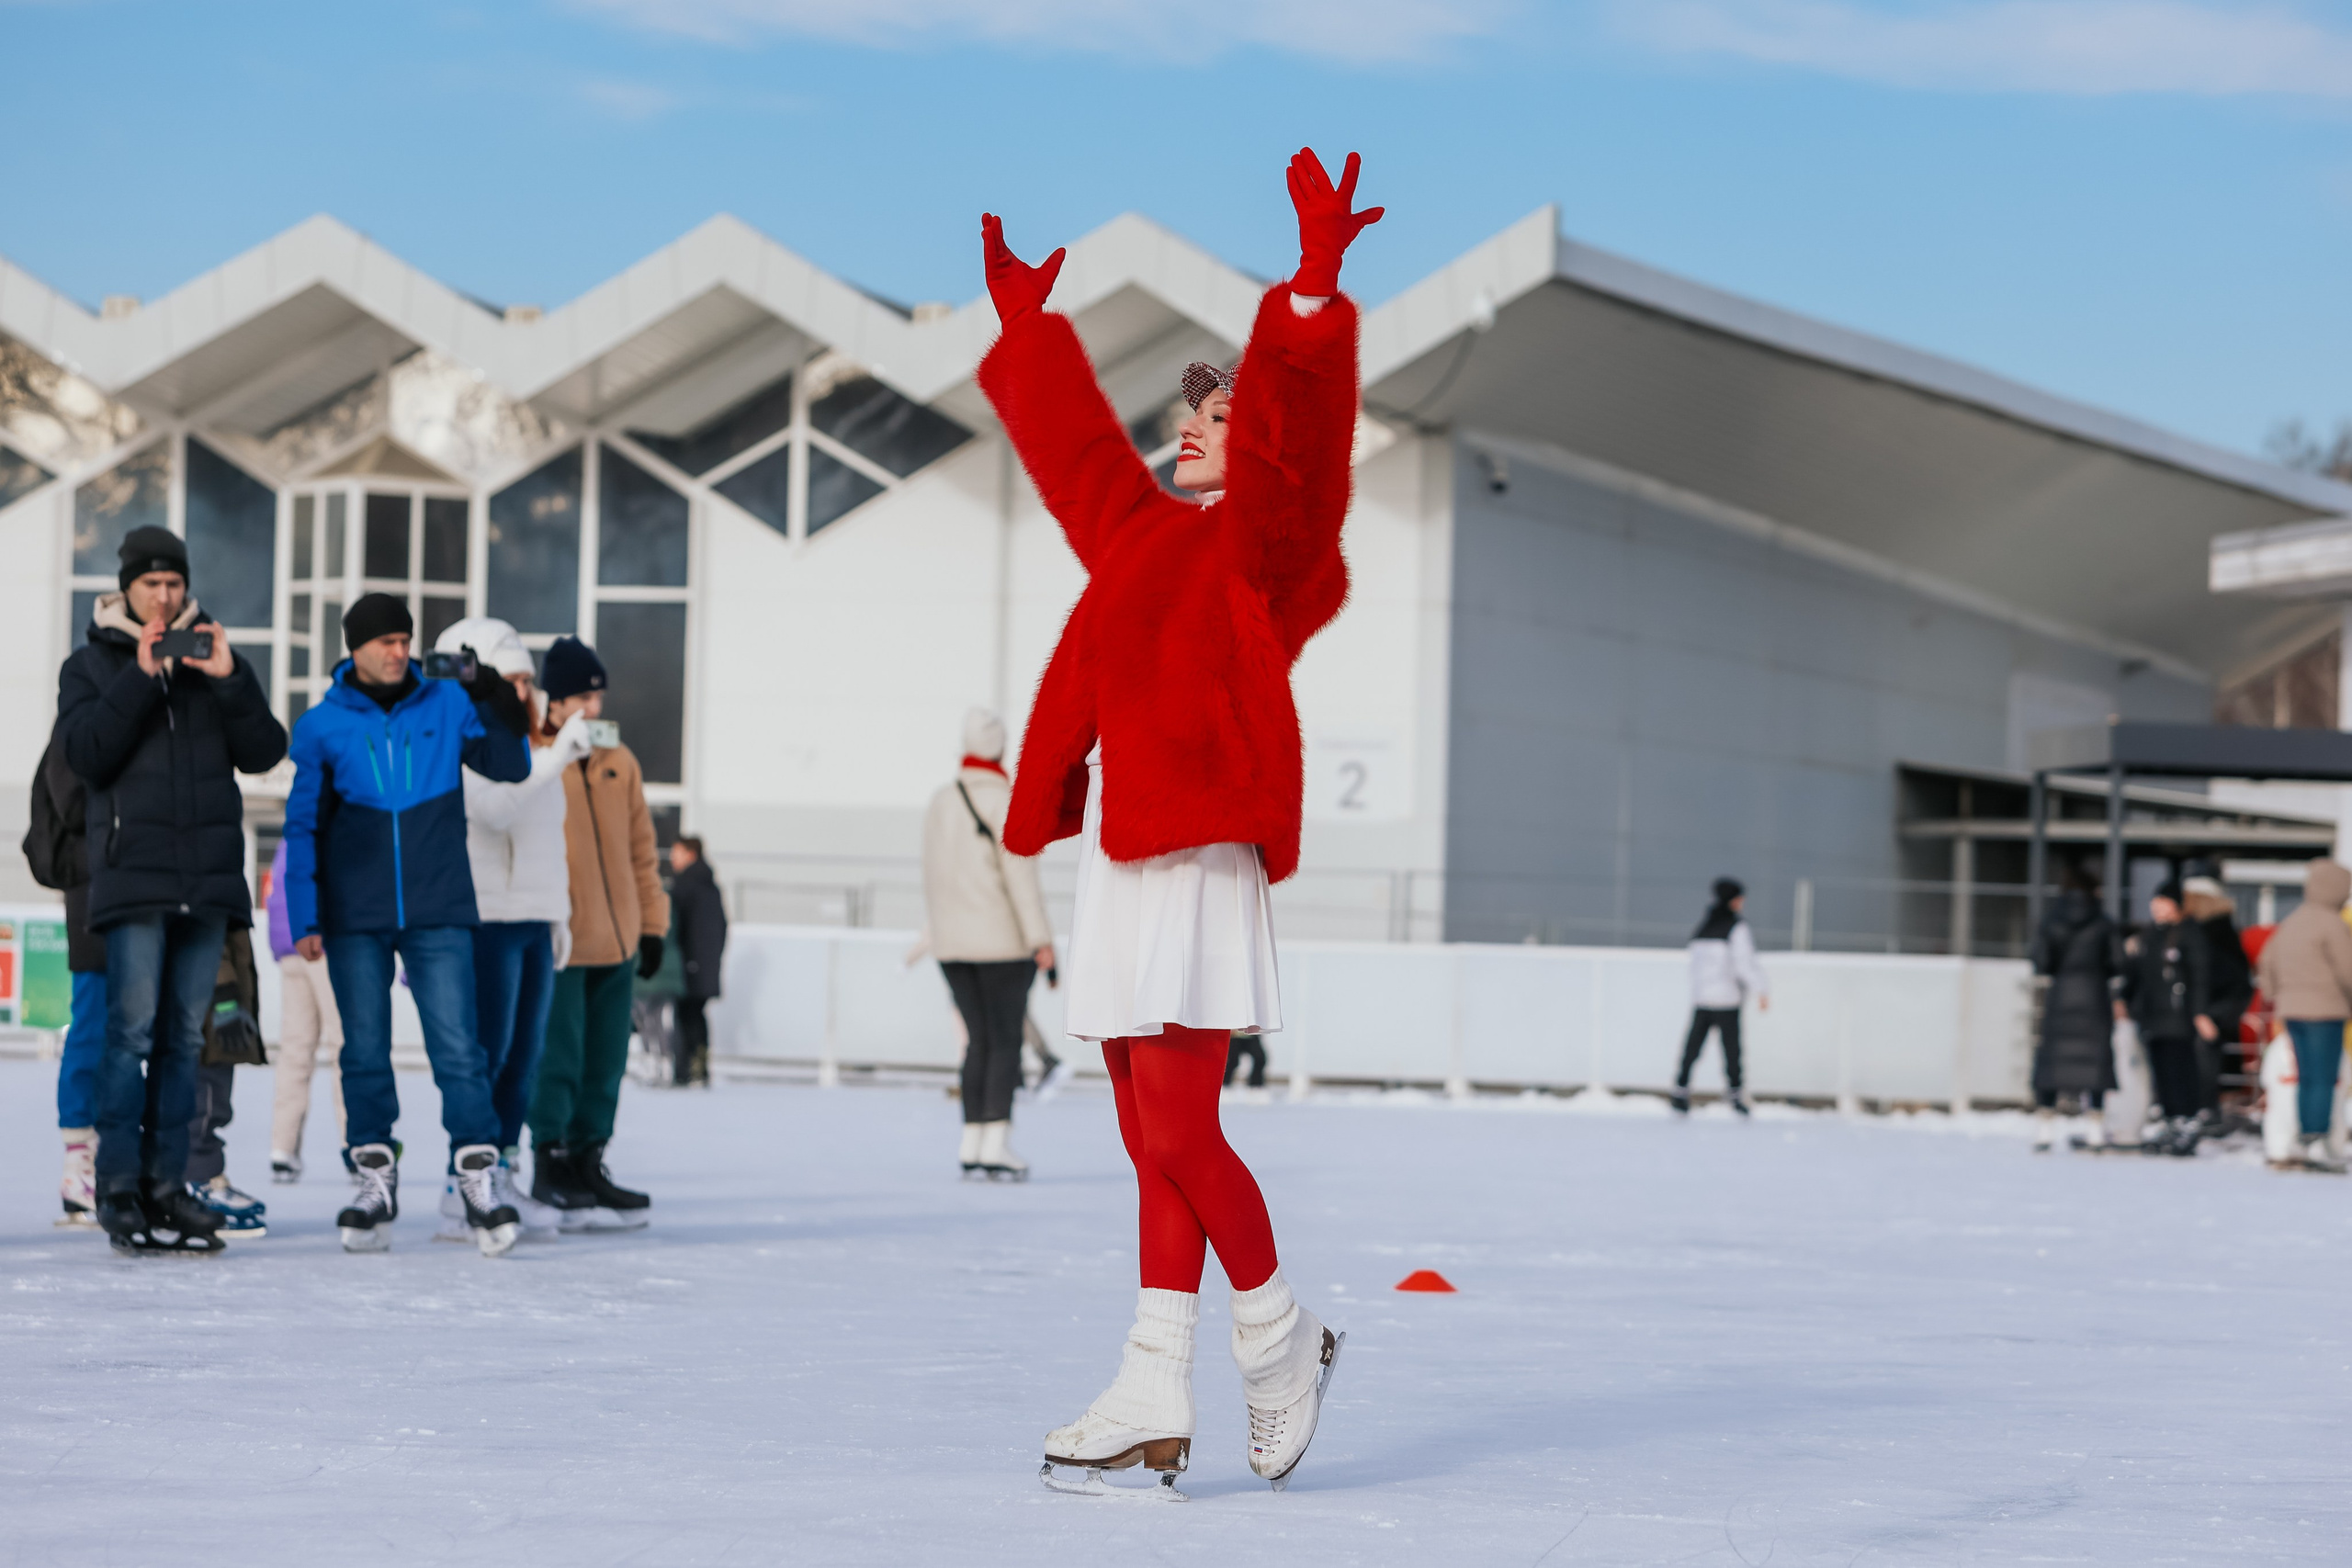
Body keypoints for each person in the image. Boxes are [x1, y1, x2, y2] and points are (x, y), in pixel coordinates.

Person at [981, 146, 1373, 1495]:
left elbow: (1302, 451)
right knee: (1146, 1135)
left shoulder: (1267, 553)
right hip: (1128, 861)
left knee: (1186, 1130)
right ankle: (1156, 1373)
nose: (1193, 424)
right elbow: (1081, 458)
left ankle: (1277, 1334)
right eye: (1190, 414)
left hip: (1204, 851)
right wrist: (1029, 336)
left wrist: (1309, 302)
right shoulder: (1142, 540)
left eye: (1216, 413)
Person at [57, 525, 287, 1254]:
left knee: (186, 1042)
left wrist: (231, 678)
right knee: (127, 1038)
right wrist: (142, 673)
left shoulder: (211, 663)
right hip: (133, 876)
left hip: (207, 880)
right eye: (151, 584)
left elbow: (265, 750)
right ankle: (119, 1187)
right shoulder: (90, 666)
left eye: (174, 583)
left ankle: (167, 1186)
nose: (164, 595)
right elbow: (88, 755)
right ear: (126, 587)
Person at [283, 592, 535, 1256]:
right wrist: (304, 915)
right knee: (363, 1050)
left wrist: (488, 691)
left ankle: (478, 1181)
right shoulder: (319, 726)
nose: (399, 652)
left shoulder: (448, 704)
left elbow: (513, 764)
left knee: (459, 1048)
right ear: (355, 648)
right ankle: (374, 1181)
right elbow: (303, 827)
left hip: (439, 906)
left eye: (405, 639)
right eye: (385, 641)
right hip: (353, 917)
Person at [433, 617, 586, 1240]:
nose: (527, 692)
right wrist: (551, 763)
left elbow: (550, 839)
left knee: (524, 1058)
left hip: (532, 915)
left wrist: (560, 912)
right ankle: (463, 1180)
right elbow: (493, 808)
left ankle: (505, 1168)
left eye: (529, 680)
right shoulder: (466, 736)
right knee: (488, 1053)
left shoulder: (534, 744)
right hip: (488, 914)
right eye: (515, 678)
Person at [526, 636, 669, 1228]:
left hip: (619, 941)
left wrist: (653, 925)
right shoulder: (535, 759)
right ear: (554, 703)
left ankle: (589, 1160)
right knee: (558, 1057)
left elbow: (642, 853)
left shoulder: (620, 762)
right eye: (582, 696)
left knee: (606, 1060)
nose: (593, 707)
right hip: (562, 939)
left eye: (597, 695)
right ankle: (549, 1161)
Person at [921, 707, 1055, 1179]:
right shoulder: (1005, 800)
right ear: (1000, 748)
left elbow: (932, 877)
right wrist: (1041, 939)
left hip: (952, 945)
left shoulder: (941, 801)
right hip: (1002, 943)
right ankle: (996, 1142)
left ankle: (971, 1142)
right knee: (1003, 1043)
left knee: (977, 1042)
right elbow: (1021, 877)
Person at [23, 727, 107, 1228]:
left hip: (141, 889)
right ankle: (80, 1160)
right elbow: (70, 808)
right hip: (93, 892)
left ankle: (120, 1155)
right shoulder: (75, 727)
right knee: (93, 1021)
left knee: (138, 1030)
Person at [2253, 858, 2352, 1173]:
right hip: (2326, 1011)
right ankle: (2318, 1140)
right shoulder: (2332, 924)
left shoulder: (2292, 921)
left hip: (2292, 1011)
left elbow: (2266, 962)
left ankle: (2300, 1137)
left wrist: (2276, 994)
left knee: (2304, 1077)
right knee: (2324, 1078)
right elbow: (2348, 970)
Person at [264, 838, 345, 1183]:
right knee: (345, 1044)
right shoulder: (326, 833)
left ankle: (282, 1147)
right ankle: (354, 1142)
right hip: (319, 942)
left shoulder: (287, 840)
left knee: (295, 1049)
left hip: (288, 947)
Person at [2027, 867, 2120, 1151]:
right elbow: (2118, 963)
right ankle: (2095, 1130)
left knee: (2051, 1065)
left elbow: (2041, 962)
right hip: (2094, 999)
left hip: (2061, 999)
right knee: (2096, 1066)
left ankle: (2045, 1130)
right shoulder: (2104, 923)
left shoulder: (2051, 921)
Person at [2121, 883, 2216, 1154]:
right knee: (2161, 1072)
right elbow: (2137, 975)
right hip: (2152, 1017)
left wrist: (2200, 1013)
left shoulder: (2190, 934)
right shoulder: (2149, 936)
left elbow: (2200, 976)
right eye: (2156, 901)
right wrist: (2124, 1000)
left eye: (2164, 902)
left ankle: (2187, 1121)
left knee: (2180, 1070)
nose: (2158, 907)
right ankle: (2171, 1120)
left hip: (2179, 1018)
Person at [1672, 877, 1770, 1117]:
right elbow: (1744, 964)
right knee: (1732, 1050)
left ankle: (1680, 1090)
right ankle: (1735, 1096)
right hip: (1727, 999)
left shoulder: (1703, 928)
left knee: (1692, 1048)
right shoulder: (1737, 928)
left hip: (1703, 999)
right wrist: (1761, 989)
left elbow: (1694, 965)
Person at [2182, 874, 2252, 1120]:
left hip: (2213, 1009)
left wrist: (2206, 1010)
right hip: (2217, 1007)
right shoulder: (2220, 929)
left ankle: (2204, 1110)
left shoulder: (2209, 933)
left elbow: (2220, 976)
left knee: (2204, 1061)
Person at [668, 834, 728, 1089]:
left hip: (689, 963)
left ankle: (684, 1070)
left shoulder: (686, 886)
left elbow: (676, 927)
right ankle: (699, 1067)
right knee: (696, 1015)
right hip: (704, 964)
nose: (672, 857)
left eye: (676, 852)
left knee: (685, 1016)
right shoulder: (709, 886)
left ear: (690, 854)